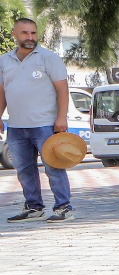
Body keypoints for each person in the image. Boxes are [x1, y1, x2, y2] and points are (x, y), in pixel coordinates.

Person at [1, 17, 73, 223]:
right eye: (24, 33)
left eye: (33, 33)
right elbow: (2, 92)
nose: (30, 37)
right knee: (24, 170)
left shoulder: (48, 58)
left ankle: (64, 208)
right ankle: (34, 208)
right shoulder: (4, 60)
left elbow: (62, 89)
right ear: (15, 34)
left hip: (45, 125)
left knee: (54, 167)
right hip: (16, 126)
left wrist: (61, 117)